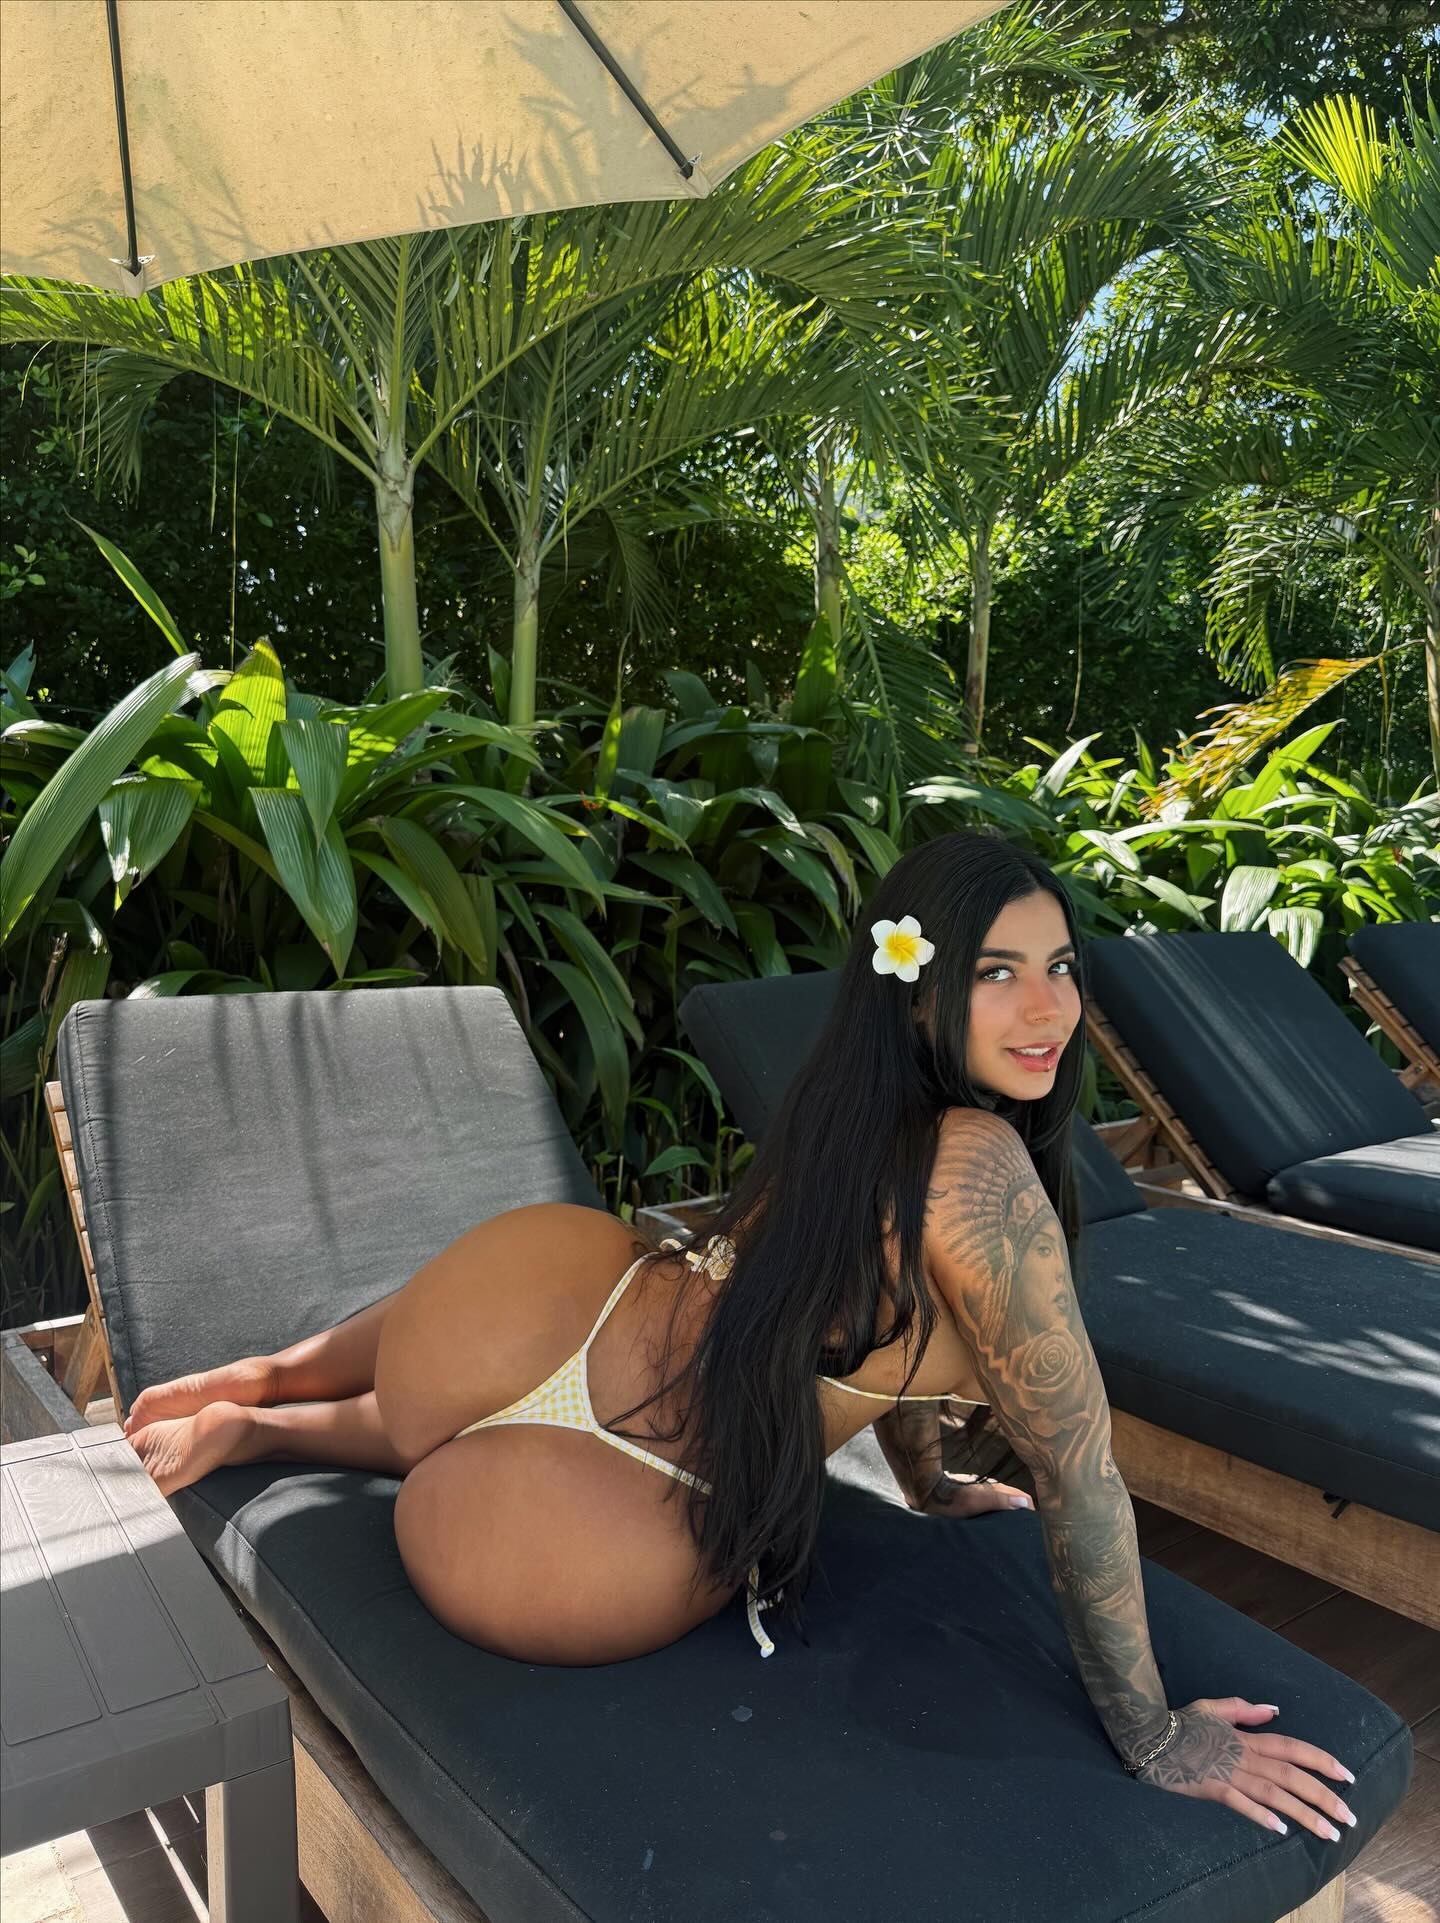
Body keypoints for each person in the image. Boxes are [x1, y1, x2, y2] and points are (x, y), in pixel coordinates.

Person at [124, 830, 1356, 1840]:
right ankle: (257, 1422)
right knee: (476, 1455)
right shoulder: (980, 1166)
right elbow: (1077, 1471)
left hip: (541, 1296)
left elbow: (881, 1334)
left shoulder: (848, 1110)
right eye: (997, 972)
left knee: (440, 1412)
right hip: (622, 1501)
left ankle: (253, 1397)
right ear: (921, 990)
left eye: (1061, 966)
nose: (1049, 1008)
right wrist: (1154, 1735)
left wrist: (930, 1486)